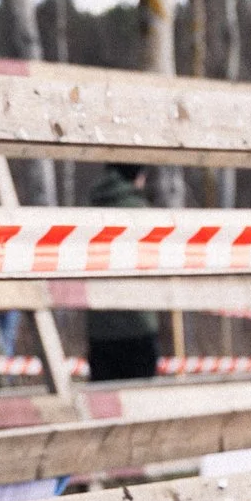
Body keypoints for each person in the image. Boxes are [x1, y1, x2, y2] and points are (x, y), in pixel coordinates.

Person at [84, 162, 164, 381]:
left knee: (104, 398)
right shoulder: (141, 212)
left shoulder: (91, 209)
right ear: (137, 175)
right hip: (138, 325)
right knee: (142, 396)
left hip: (99, 328)